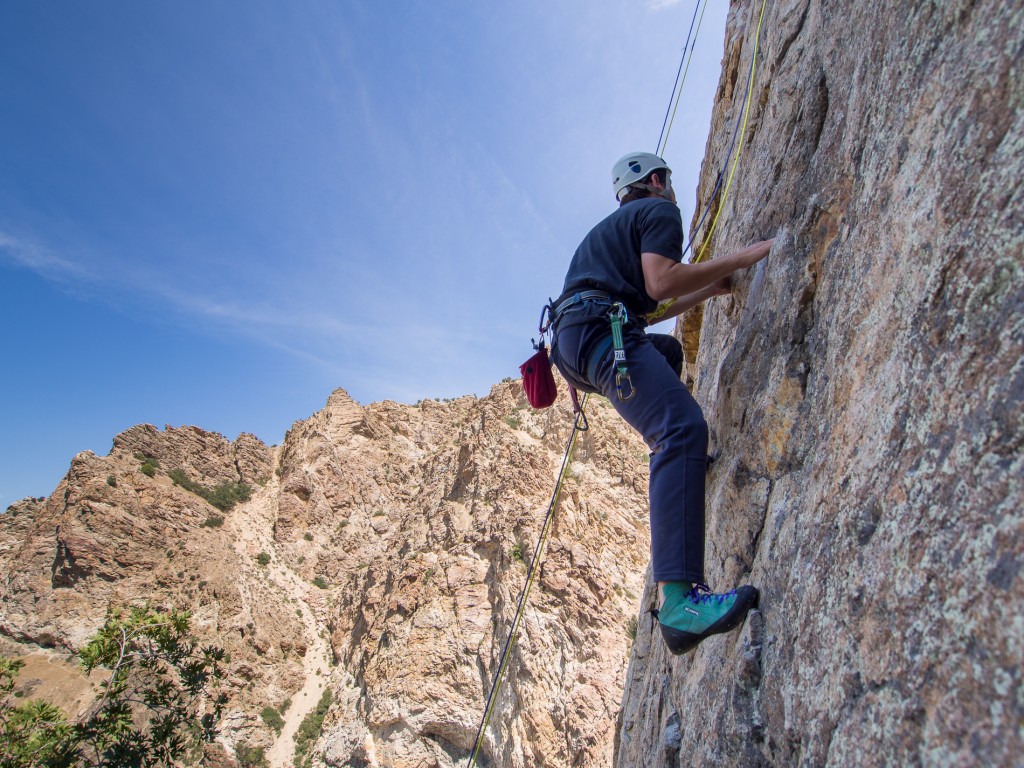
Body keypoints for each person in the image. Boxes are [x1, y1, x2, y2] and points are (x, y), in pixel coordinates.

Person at [548, 151, 773, 655]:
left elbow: (650, 310)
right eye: (668, 181)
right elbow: (661, 282)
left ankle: (683, 460)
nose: (672, 189)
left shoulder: (614, 230)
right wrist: (738, 260)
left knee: (666, 352)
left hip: (582, 341)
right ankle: (679, 601)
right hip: (599, 332)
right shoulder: (659, 212)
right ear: (657, 181)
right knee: (681, 429)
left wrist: (710, 291)